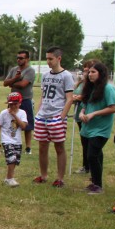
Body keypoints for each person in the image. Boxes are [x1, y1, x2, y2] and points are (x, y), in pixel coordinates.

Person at [33, 46, 74, 188]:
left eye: (51, 59)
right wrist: (38, 113)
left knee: (59, 147)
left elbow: (69, 98)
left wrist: (62, 117)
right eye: (47, 58)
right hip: (42, 116)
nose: (48, 61)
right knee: (42, 146)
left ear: (59, 58)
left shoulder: (66, 76)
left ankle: (60, 178)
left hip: (56, 116)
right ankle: (43, 175)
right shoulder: (45, 76)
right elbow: (43, 96)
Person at [78, 62, 115, 194]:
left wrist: (94, 114)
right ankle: (95, 182)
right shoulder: (90, 88)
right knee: (95, 155)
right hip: (87, 128)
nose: (90, 74)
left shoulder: (108, 89)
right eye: (89, 72)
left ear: (101, 74)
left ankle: (98, 185)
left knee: (92, 155)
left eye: (93, 72)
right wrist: (82, 113)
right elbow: (85, 104)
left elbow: (113, 108)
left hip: (100, 129)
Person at [3, 50, 36, 154]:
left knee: (27, 124)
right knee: (11, 122)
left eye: (21, 58)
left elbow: (23, 84)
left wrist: (12, 83)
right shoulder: (14, 70)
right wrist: (15, 78)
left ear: (27, 59)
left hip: (25, 99)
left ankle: (28, 147)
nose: (19, 60)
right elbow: (5, 82)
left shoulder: (30, 70)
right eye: (17, 58)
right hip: (13, 100)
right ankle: (11, 143)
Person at [0, 92, 29, 187]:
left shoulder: (22, 113)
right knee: (11, 158)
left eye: (15, 104)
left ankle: (9, 178)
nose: (13, 106)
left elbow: (23, 126)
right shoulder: (3, 113)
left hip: (17, 141)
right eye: (11, 104)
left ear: (19, 103)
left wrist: (15, 115)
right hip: (6, 140)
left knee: (15, 160)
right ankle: (9, 179)